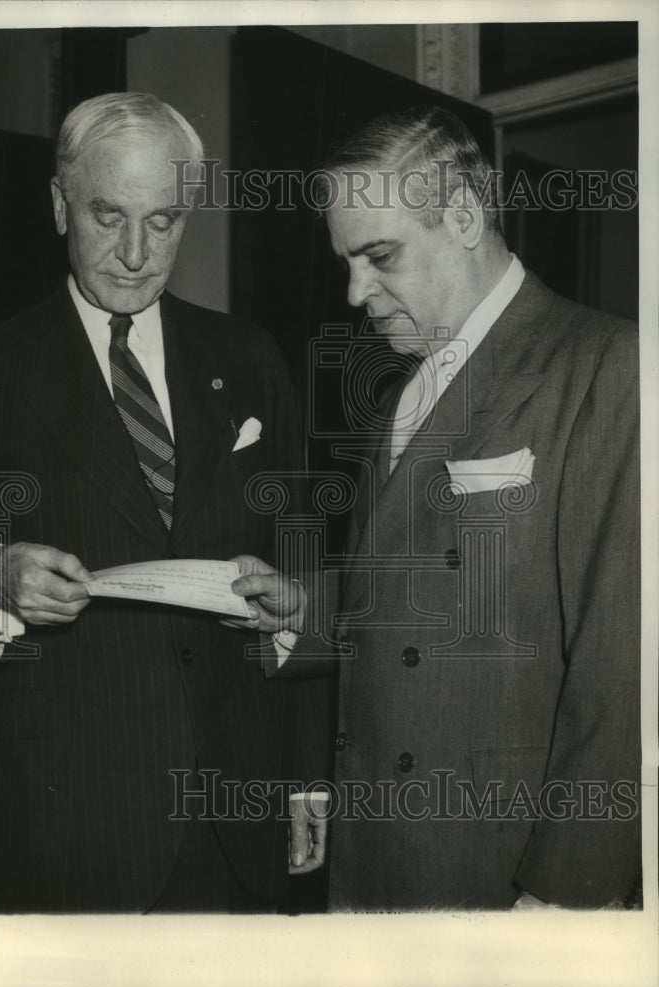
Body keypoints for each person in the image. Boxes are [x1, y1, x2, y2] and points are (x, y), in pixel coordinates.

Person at [0, 92, 330, 914]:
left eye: (163, 221)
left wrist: (308, 782)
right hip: (55, 829)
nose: (136, 254)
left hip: (235, 820)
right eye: (108, 216)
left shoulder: (249, 357)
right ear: (59, 205)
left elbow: (304, 570)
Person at [232, 106, 642, 911]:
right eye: (346, 262)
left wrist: (567, 894)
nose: (355, 292)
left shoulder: (608, 365)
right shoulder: (403, 393)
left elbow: (622, 663)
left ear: (462, 216)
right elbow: (421, 595)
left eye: (379, 256)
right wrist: (304, 610)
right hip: (378, 856)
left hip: (500, 871)